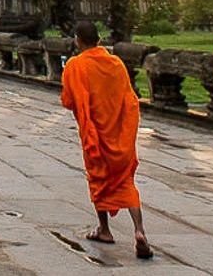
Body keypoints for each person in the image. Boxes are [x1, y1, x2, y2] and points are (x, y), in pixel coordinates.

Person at [60, 21, 152, 260]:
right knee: (126, 182)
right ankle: (139, 230)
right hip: (119, 135)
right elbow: (129, 99)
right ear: (99, 40)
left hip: (96, 135)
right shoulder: (116, 63)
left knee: (98, 180)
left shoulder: (75, 65)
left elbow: (69, 100)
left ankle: (104, 230)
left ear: (78, 40)